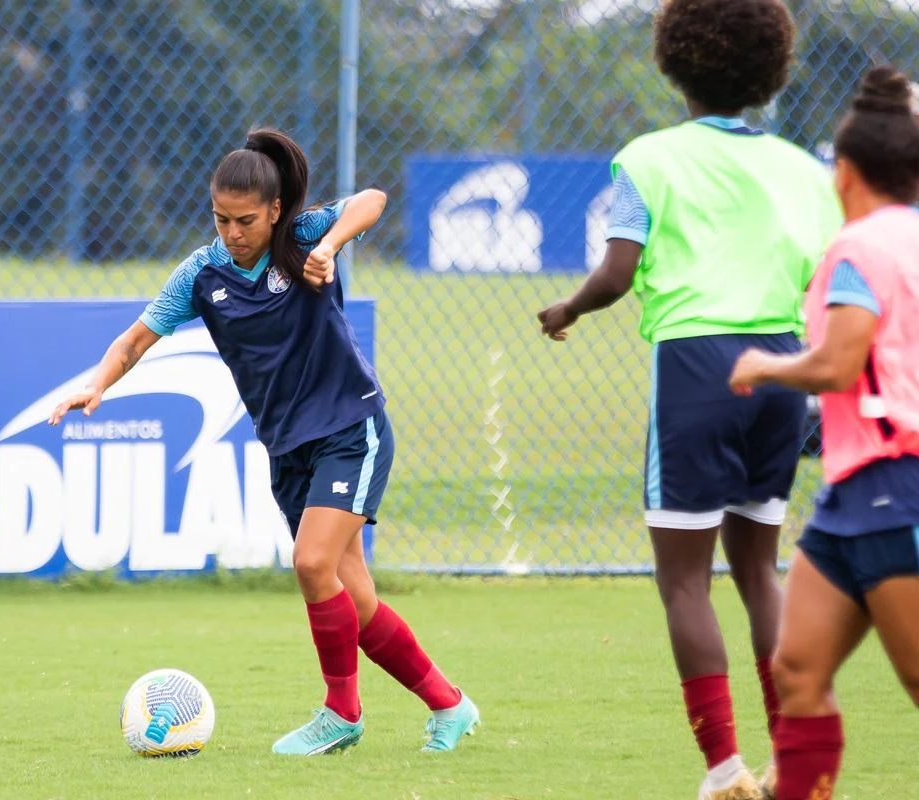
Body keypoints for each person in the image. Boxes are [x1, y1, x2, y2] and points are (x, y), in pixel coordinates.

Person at [49, 128, 479, 756]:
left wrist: (330, 246)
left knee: (311, 564)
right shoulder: (201, 273)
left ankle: (343, 713)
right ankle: (450, 705)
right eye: (220, 218)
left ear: (275, 211)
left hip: (348, 428)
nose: (232, 232)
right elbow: (134, 341)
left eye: (244, 219)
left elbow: (374, 199)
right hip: (288, 448)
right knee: (353, 600)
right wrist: (97, 386)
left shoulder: (302, 238)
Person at [536, 1, 843, 796]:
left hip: (696, 370)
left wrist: (567, 310)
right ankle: (791, 764)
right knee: (760, 571)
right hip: (781, 369)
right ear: (770, 66)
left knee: (683, 580)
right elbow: (826, 281)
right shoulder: (805, 173)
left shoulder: (648, 157)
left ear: (673, 60)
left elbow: (616, 274)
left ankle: (725, 769)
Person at [729, 65, 919, 800]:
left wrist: (764, 367)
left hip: (894, 487)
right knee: (798, 669)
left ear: (843, 172)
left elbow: (841, 363)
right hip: (851, 496)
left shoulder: (860, 247)